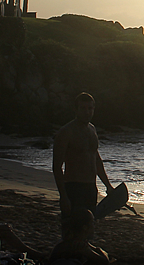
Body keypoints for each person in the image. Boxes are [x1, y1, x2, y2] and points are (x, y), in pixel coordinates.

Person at [53, 93, 114, 230]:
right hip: (73, 188)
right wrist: (63, 196)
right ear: (76, 110)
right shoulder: (66, 132)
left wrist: (108, 185)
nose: (87, 112)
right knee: (71, 231)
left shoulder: (92, 130)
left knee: (88, 230)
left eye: (90, 108)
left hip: (91, 188)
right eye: (83, 108)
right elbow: (57, 167)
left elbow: (96, 160)